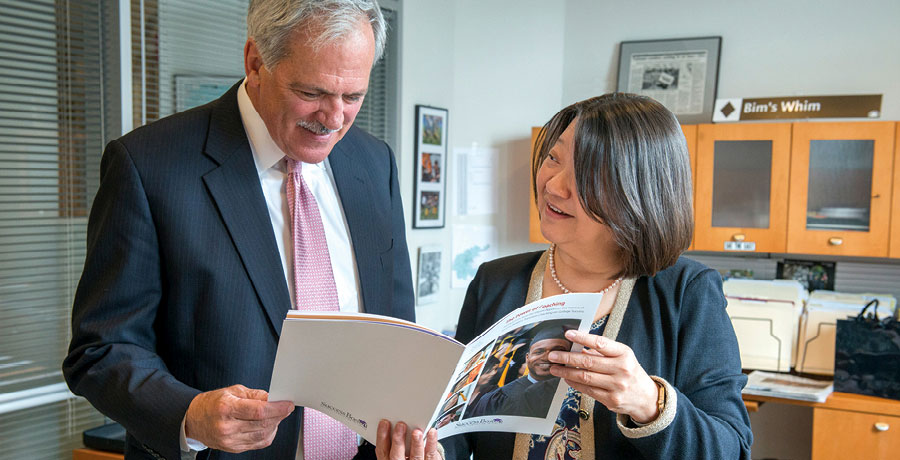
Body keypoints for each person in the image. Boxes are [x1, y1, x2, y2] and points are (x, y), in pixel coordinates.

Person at [62, 1, 414, 459]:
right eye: (312, 92)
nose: (333, 119)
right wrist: (189, 414)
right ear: (255, 62)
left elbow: (398, 324)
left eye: (353, 97)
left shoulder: (375, 161)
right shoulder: (149, 166)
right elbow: (100, 349)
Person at [378, 93, 752, 459]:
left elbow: (731, 447)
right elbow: (459, 424)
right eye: (553, 158)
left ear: (639, 191)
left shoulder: (686, 293)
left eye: (587, 175)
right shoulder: (496, 281)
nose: (554, 186)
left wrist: (648, 402)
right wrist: (432, 452)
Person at [467, 323, 574, 418]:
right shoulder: (496, 398)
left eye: (557, 351)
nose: (546, 357)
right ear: (527, 358)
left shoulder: (576, 395)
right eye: (539, 352)